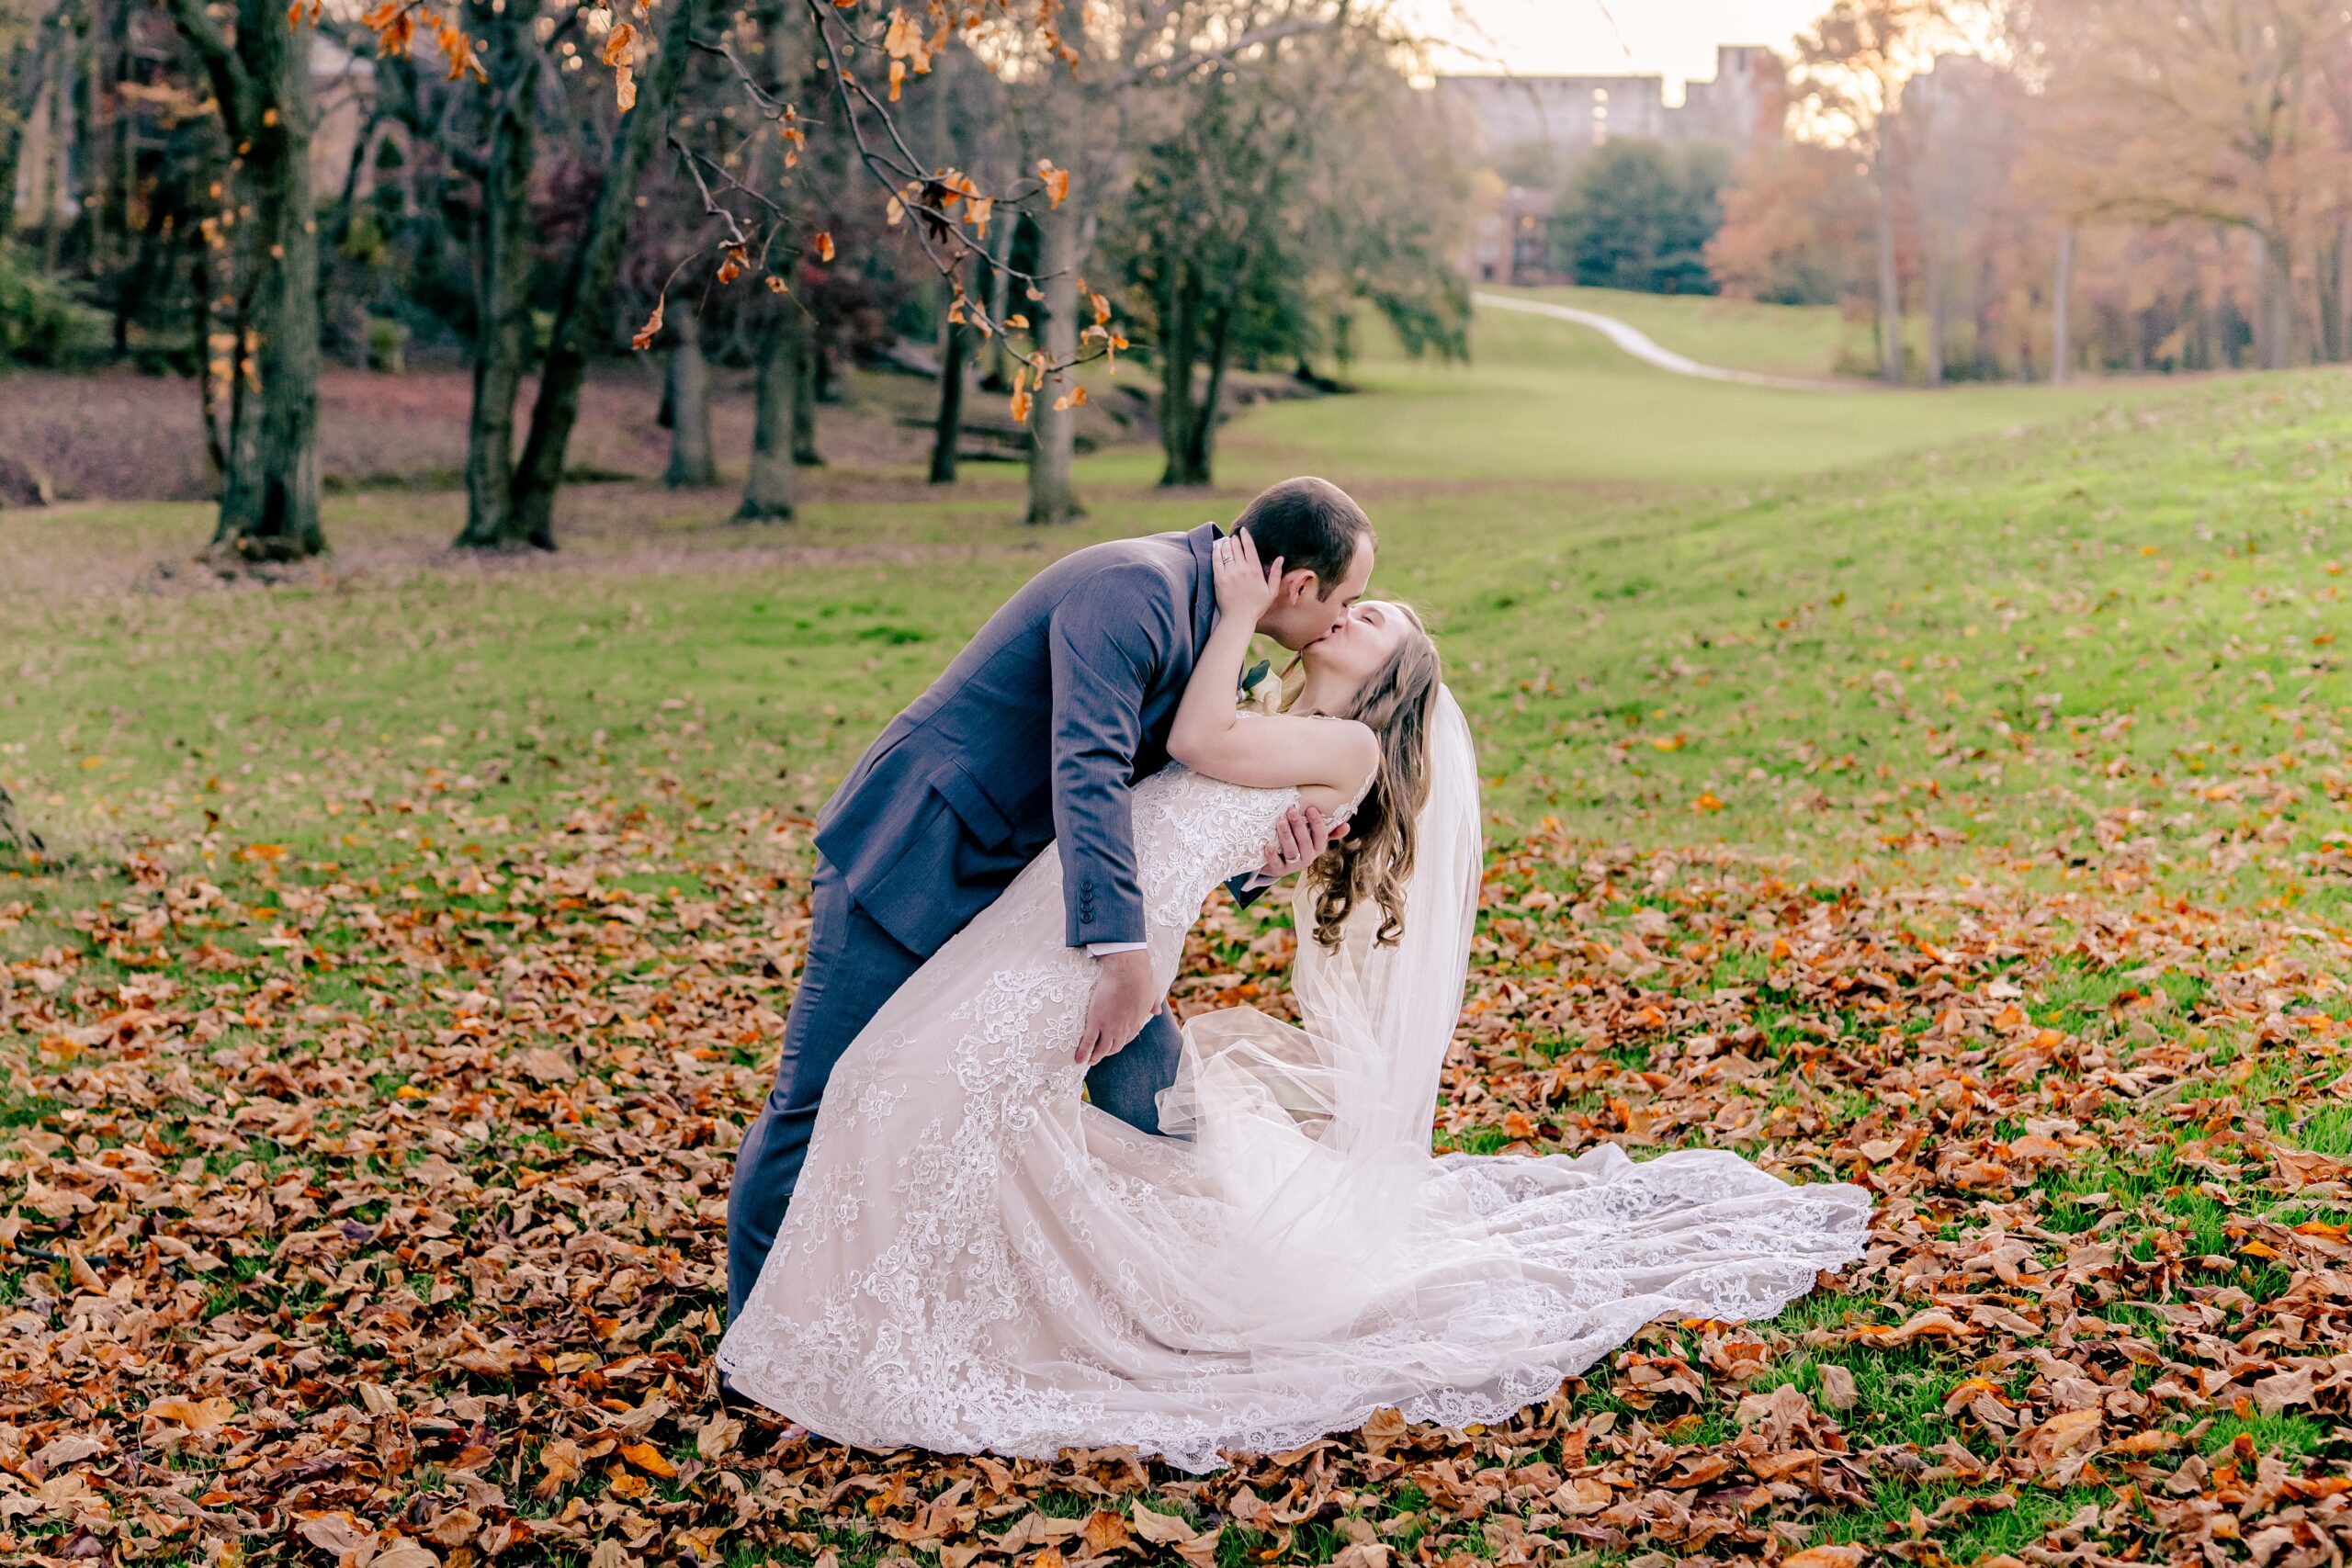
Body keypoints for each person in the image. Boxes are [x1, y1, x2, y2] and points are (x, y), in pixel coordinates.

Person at [719, 531, 1873, 1472]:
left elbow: (1191, 749)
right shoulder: (1275, 703)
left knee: (918, 1091)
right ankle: (829, 1313)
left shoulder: (1341, 748)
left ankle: (887, 1322)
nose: (1349, 619)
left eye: (1374, 622)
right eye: (1355, 602)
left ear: (1388, 680)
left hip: (1099, 942)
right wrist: (1259, 850)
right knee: (941, 1098)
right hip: (1057, 917)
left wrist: (1229, 621)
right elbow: (1179, 797)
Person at [724, 477, 1378, 1323]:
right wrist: (1121, 952)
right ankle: (754, 1345)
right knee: (817, 1099)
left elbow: (1167, 808)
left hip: (1033, 901)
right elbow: (1090, 770)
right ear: (1296, 585)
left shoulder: (1219, 634)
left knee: (1156, 1093)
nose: (1341, 619)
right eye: (1347, 599)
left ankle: (1187, 1300)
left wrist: (1267, 859)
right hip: (916, 862)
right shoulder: (1134, 589)